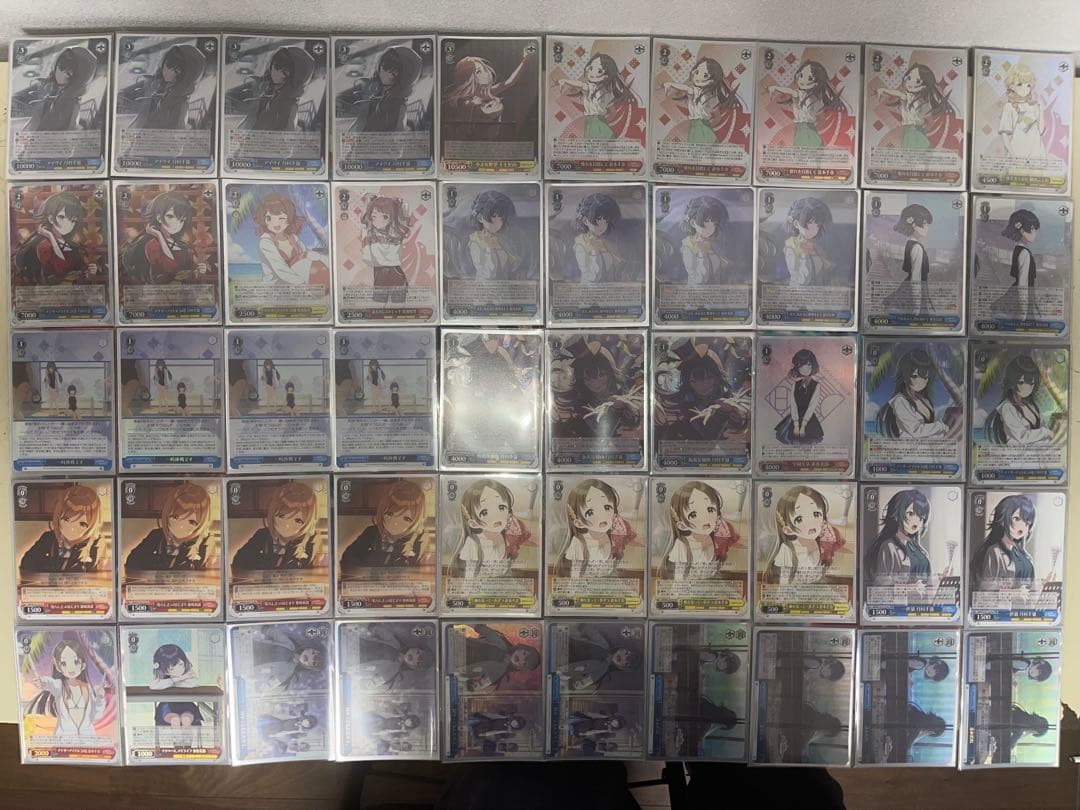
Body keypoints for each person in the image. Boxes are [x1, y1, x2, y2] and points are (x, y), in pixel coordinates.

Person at [340, 479, 427, 572]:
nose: (395, 523)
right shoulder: (371, 532)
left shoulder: (418, 540)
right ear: (381, 511)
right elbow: (347, 559)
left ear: (416, 521)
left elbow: (416, 570)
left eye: (406, 518)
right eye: (390, 514)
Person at [230, 481, 319, 571]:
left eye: (298, 520)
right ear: (272, 515)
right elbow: (238, 562)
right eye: (281, 516)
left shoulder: (311, 539)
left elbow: (301, 566)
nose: (287, 525)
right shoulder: (263, 534)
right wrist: (277, 560)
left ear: (307, 522)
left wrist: (262, 559)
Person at [125, 482, 212, 572]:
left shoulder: (204, 540)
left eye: (192, 522)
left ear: (201, 524)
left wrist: (156, 561)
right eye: (175, 517)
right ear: (167, 515)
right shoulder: (156, 535)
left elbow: (194, 568)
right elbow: (132, 561)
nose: (181, 526)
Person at [119, 43, 207, 130]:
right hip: (142, 129)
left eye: (176, 71)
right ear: (164, 61)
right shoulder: (156, 81)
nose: (169, 73)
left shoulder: (180, 104)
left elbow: (177, 130)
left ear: (187, 77)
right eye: (168, 65)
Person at [337, 45, 422, 133]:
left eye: (394, 71)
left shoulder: (397, 106)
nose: (387, 74)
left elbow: (396, 132)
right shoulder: (379, 88)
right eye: (385, 67)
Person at [20, 484, 103, 574]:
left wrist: (50, 562)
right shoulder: (49, 537)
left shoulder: (96, 541)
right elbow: (27, 563)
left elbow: (83, 569)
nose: (71, 528)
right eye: (66, 519)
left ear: (92, 525)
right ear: (58, 517)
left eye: (82, 524)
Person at [13, 45, 98, 131]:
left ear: (79, 79)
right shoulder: (56, 91)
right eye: (61, 67)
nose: (62, 74)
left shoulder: (70, 104)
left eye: (69, 74)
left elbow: (66, 130)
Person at [453, 625, 540, 692]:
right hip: (457, 643)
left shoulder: (499, 672)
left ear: (521, 668)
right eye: (524, 653)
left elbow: (479, 685)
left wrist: (468, 683)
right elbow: (481, 628)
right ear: (521, 647)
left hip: (456, 665)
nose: (521, 658)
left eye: (524, 663)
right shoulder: (500, 643)